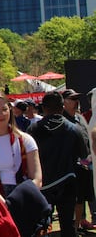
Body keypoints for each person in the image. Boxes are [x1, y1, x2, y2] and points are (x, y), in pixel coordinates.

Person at [28, 91, 88, 237]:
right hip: (67, 181)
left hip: (43, 184)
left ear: (44, 108)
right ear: (62, 107)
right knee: (67, 225)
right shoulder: (74, 129)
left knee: (41, 225)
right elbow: (84, 154)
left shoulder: (33, 130)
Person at [0, 89, 42, 196]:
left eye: (4, 109)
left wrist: (18, 197)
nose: (1, 114)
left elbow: (37, 179)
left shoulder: (25, 140)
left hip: (21, 197)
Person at [61, 89, 96, 231]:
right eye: (72, 99)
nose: (76, 102)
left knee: (81, 197)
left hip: (84, 165)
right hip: (70, 167)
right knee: (72, 199)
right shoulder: (61, 121)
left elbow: (87, 138)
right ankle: (71, 226)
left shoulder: (80, 118)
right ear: (63, 102)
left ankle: (78, 224)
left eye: (77, 98)